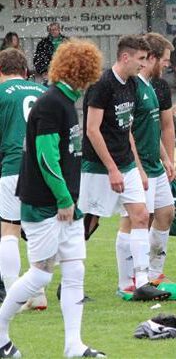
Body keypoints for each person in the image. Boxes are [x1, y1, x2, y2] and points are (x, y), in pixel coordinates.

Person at [0, 39, 105, 358]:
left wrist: (73, 201)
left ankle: (73, 345)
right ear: (86, 71)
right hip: (45, 204)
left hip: (67, 206)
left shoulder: (66, 101)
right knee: (41, 274)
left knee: (75, 271)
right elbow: (46, 157)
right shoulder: (51, 103)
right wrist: (62, 198)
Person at [77, 35, 170, 302]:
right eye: (140, 59)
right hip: (98, 167)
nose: (143, 65)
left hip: (126, 164)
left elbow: (126, 128)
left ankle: (141, 282)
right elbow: (93, 130)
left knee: (141, 215)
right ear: (126, 57)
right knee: (87, 225)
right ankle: (70, 283)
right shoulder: (101, 85)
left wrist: (136, 167)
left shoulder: (131, 84)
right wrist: (112, 169)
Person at [116, 33, 176, 293]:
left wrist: (166, 158)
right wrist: (138, 167)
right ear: (151, 58)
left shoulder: (151, 86)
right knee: (135, 220)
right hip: (137, 166)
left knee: (166, 214)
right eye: (164, 60)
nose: (166, 65)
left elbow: (153, 127)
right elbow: (127, 131)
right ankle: (127, 280)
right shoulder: (133, 87)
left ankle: (154, 273)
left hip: (155, 164)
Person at [0, 49, 48, 309]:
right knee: (37, 230)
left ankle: (13, 295)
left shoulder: (0, 94)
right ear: (25, 71)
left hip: (12, 165)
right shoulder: (43, 93)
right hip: (42, 168)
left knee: (9, 228)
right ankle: (38, 293)